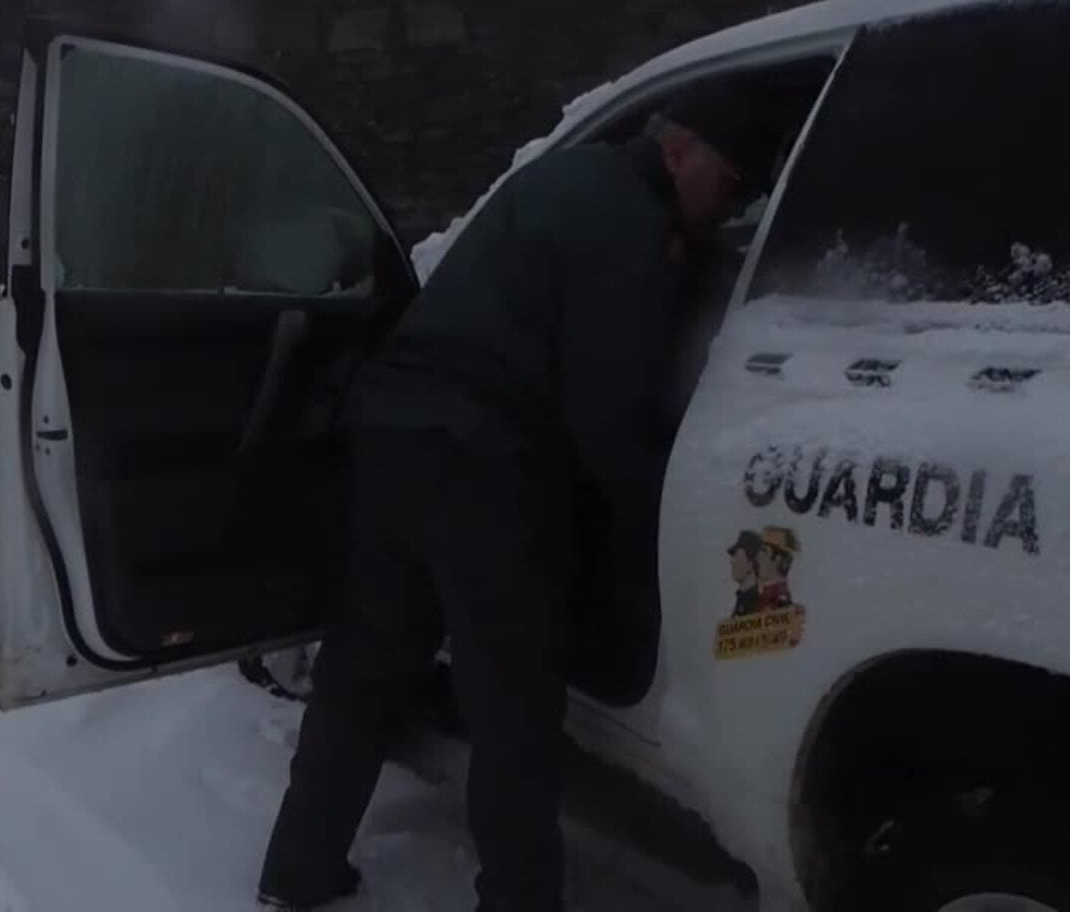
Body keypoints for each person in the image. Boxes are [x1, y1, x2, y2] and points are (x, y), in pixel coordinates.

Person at [254, 82, 779, 912]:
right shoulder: (633, 229)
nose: (733, 202)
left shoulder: (560, 176)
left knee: (362, 673)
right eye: (728, 180)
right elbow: (605, 415)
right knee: (514, 708)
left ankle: (298, 871)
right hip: (483, 466)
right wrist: (660, 514)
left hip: (392, 435)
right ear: (677, 151)